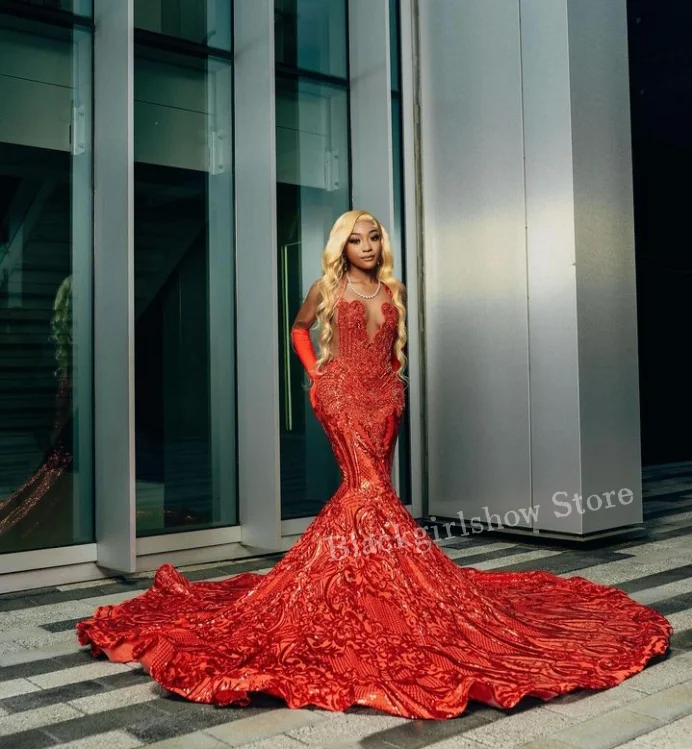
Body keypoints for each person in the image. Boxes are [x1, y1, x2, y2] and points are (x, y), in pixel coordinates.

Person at [77, 210, 672, 720]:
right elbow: (299, 330)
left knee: (376, 491)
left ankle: (371, 582)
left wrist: (396, 386)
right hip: (341, 398)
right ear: (343, 246)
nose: (369, 246)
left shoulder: (393, 291)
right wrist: (316, 376)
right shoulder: (327, 288)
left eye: (375, 237)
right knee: (366, 491)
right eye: (359, 238)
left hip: (385, 397)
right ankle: (373, 586)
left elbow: (390, 349)